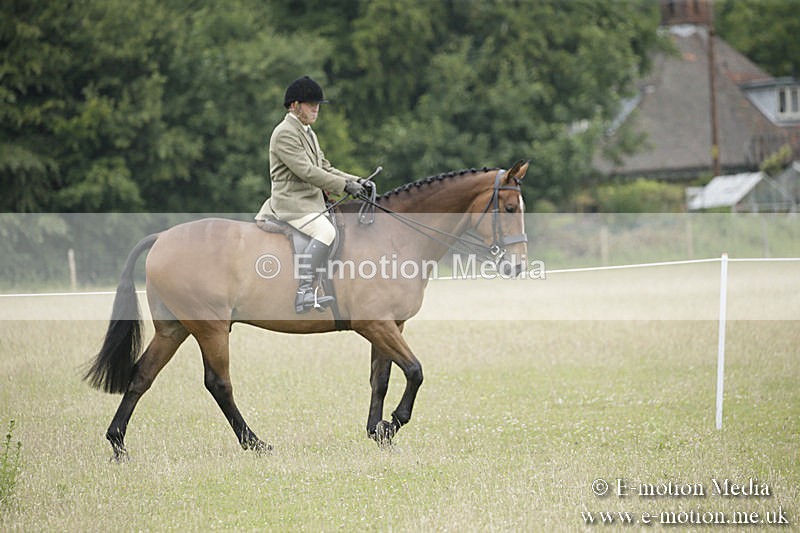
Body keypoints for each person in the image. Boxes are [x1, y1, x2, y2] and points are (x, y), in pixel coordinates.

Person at [255, 76, 365, 313]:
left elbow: (324, 166)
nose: (316, 108)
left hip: (310, 202)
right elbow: (307, 171)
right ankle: (304, 291)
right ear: (294, 106)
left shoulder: (308, 132)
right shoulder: (284, 133)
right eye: (310, 103)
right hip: (292, 203)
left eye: (317, 104)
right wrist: (344, 187)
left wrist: (356, 180)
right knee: (325, 231)